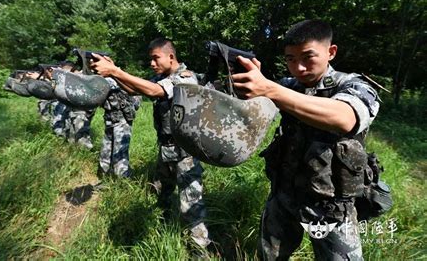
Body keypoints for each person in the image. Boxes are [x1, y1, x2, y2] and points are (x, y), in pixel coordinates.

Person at [232, 19, 380, 260]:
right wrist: (249, 81)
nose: (298, 68)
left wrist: (270, 89)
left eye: (307, 57)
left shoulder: (353, 84)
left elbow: (345, 117)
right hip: (284, 196)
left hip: (330, 208)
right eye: (290, 59)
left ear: (331, 52)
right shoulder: (289, 85)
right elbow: (253, 107)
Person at [90, 38, 212, 251]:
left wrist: (115, 71)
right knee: (163, 192)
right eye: (151, 60)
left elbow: (154, 91)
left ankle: (199, 249)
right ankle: (164, 225)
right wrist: (113, 72)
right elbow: (134, 90)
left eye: (156, 58)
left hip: (186, 155)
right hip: (166, 150)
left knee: (191, 205)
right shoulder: (162, 77)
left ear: (171, 56)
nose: (152, 63)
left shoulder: (186, 77)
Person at [97, 77, 140, 179]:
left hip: (122, 121)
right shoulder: (104, 80)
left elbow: (136, 102)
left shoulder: (115, 80)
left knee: (120, 152)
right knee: (106, 150)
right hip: (109, 119)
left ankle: (122, 180)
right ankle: (105, 177)